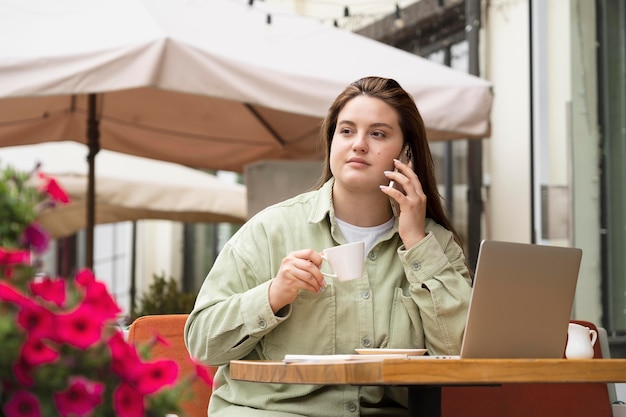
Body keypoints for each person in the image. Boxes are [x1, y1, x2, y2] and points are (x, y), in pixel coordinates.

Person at [185, 76, 473, 416]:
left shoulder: (434, 243)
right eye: (347, 131)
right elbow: (201, 344)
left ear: (406, 152)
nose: (359, 144)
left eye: (378, 133)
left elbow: (465, 354)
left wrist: (416, 243)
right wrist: (273, 295)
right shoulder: (270, 231)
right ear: (332, 141)